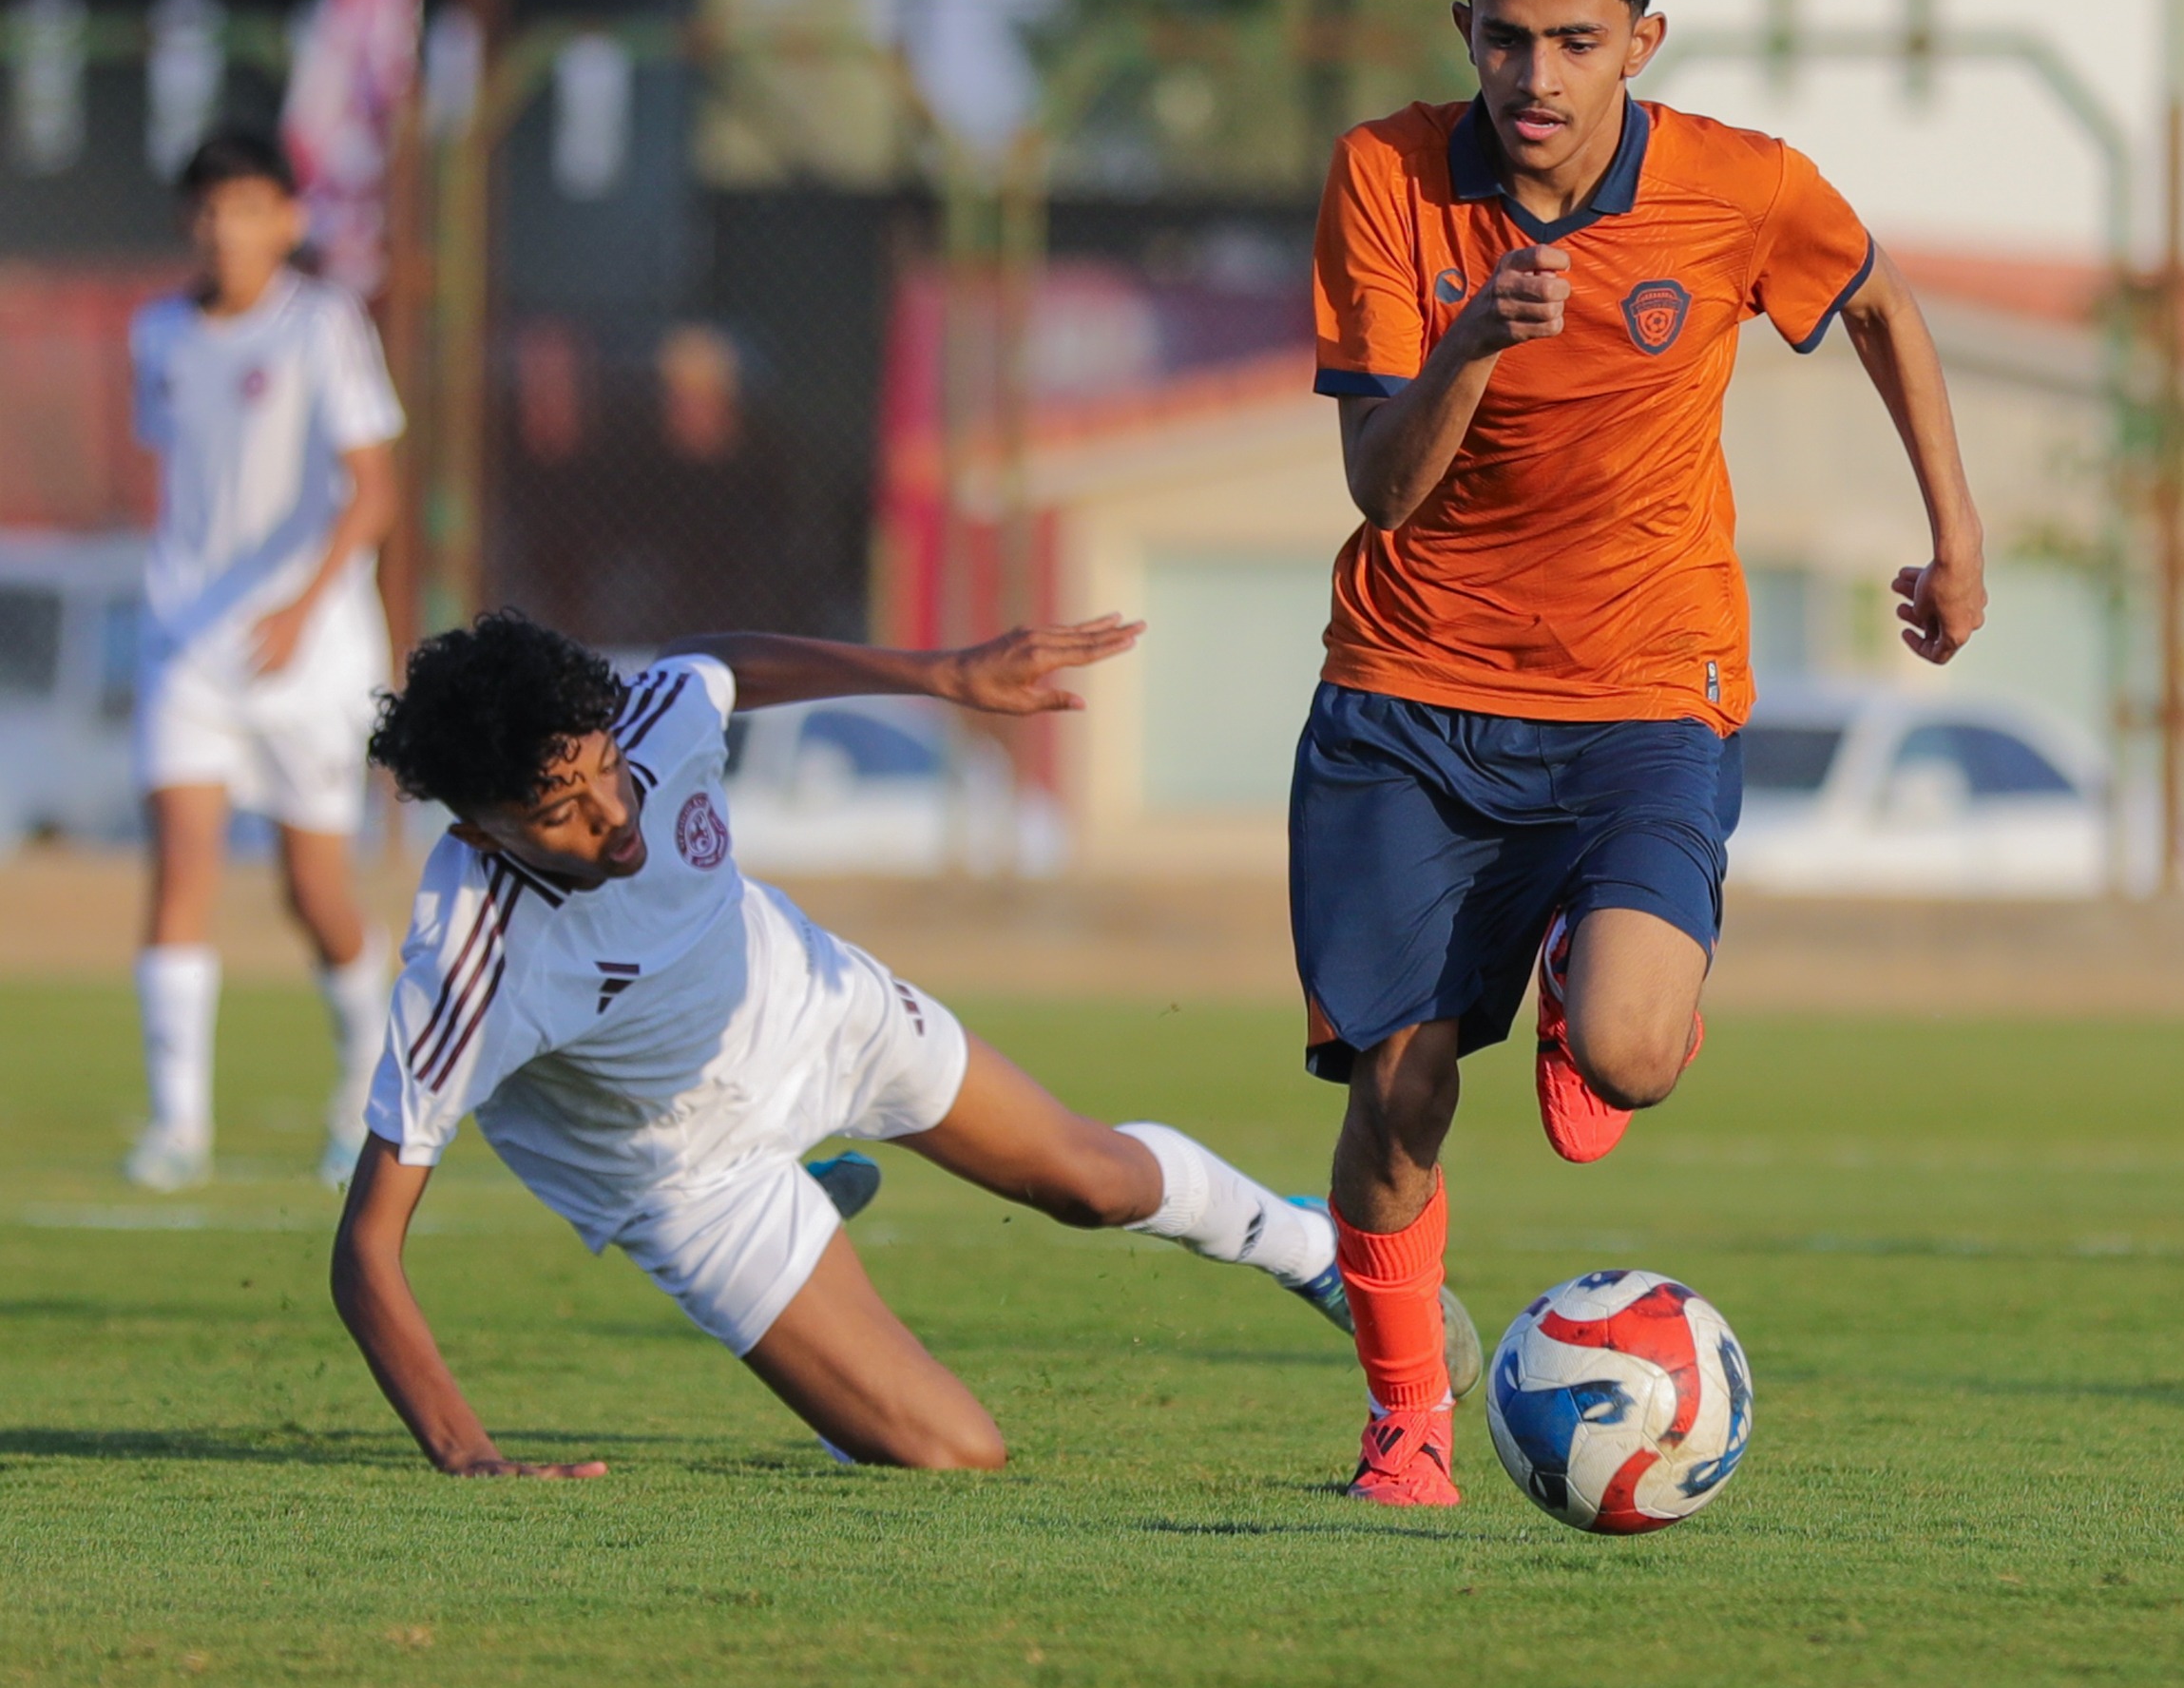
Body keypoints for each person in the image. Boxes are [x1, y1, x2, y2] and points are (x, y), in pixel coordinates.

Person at [1294, 0, 1987, 1506]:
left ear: (1643, 38)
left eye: (1575, 41)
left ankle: (1573, 998)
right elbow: (1381, 486)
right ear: (1466, 25)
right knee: (1400, 1096)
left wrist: (1956, 534)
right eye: (1503, 37)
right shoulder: (1385, 178)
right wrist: (1475, 335)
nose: (1536, 77)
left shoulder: (1739, 187)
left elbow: (1879, 300)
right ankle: (1407, 1423)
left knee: (1634, 1052)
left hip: (1642, 694)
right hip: (1412, 700)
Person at [333, 606, 1474, 1476]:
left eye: (602, 774)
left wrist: (941, 675)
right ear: (477, 827)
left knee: (1094, 1181)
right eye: (560, 814)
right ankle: (806, 1216)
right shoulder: (469, 962)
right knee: (952, 1453)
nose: (613, 816)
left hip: (817, 1007)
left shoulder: (647, 721)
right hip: (691, 1173)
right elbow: (368, 1251)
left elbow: (725, 663)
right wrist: (470, 1456)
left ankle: (1313, 1251)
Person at [125, 128, 403, 1194]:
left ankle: (362, 1096)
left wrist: (297, 602)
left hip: (308, 651)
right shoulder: (157, 332)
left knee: (311, 888)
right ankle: (175, 1127)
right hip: (188, 642)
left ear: (286, 219)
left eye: (244, 206)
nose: (221, 227)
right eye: (205, 208)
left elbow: (372, 487)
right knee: (182, 862)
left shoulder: (321, 325)